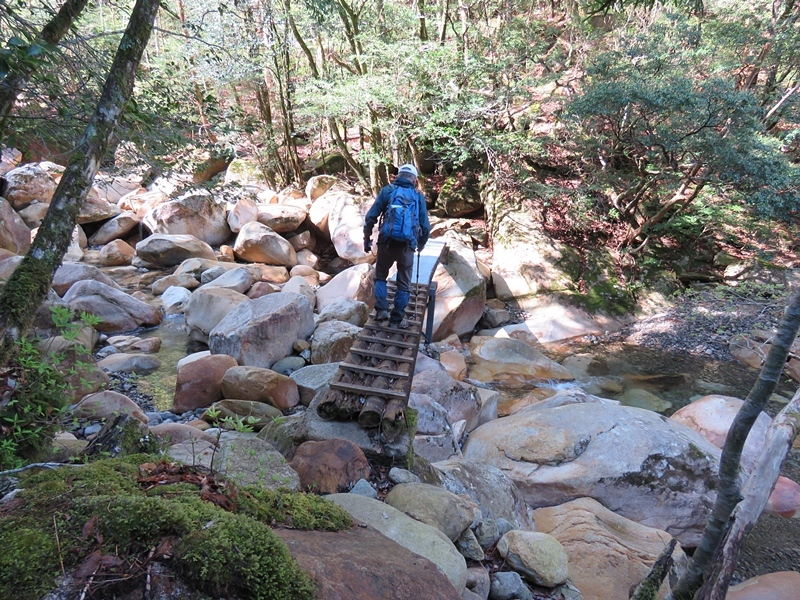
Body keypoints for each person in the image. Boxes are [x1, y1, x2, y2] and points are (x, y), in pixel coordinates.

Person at [363, 164, 431, 329]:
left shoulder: (387, 191)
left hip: (386, 242)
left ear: (398, 176)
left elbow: (370, 217)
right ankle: (396, 319)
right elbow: (425, 226)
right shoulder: (417, 196)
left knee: (380, 276)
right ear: (414, 180)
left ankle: (381, 310)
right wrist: (420, 245)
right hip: (407, 246)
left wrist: (367, 238)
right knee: (404, 284)